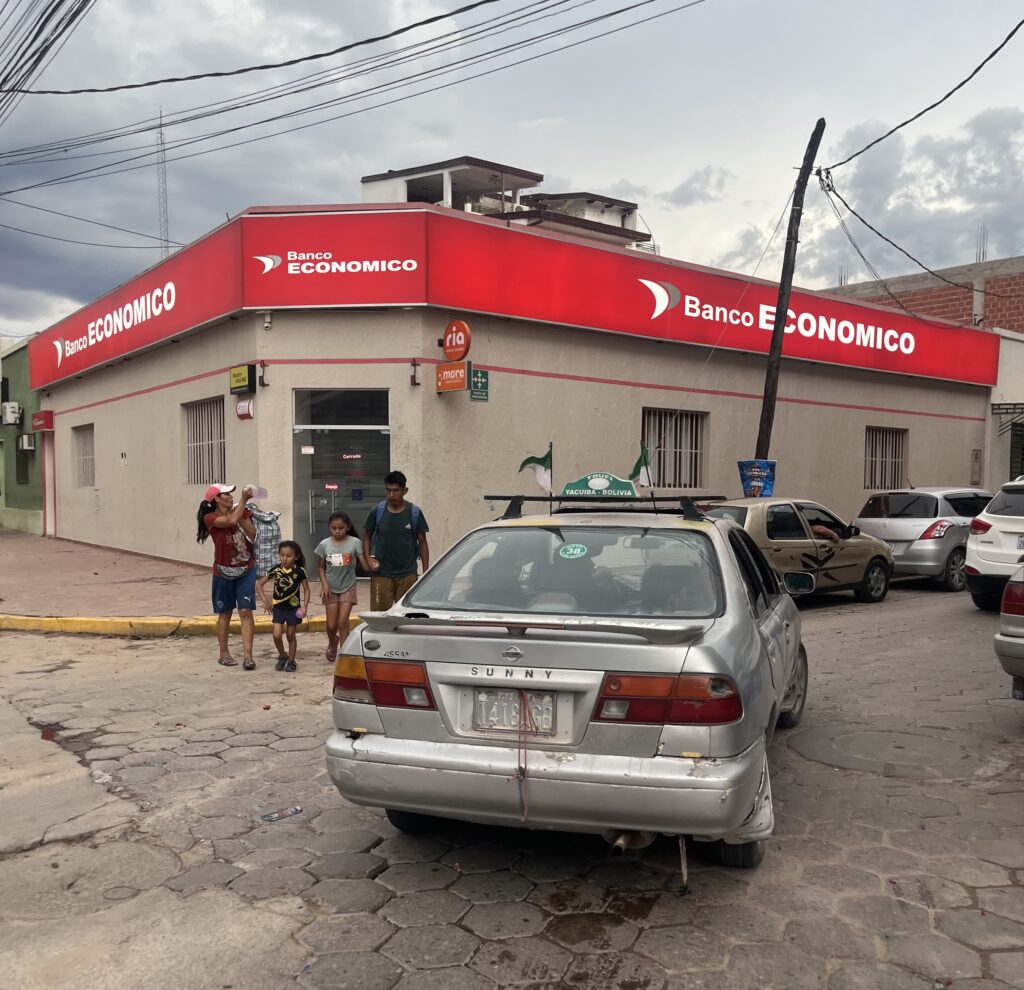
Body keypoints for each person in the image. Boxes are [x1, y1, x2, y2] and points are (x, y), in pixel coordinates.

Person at [196, 484, 257, 669]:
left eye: (232, 494)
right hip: (223, 570)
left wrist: (241, 513)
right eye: (226, 494)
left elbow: (253, 534)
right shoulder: (210, 518)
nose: (231, 497)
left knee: (246, 611)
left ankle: (248, 656)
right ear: (216, 498)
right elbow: (229, 522)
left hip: (246, 568)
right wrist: (244, 501)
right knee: (225, 613)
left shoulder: (241, 512)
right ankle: (224, 653)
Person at [363, 470, 430, 611]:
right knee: (379, 617)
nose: (392, 495)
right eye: (388, 490)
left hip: (408, 574)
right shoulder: (377, 511)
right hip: (382, 574)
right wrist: (368, 559)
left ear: (404, 490)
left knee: (406, 617)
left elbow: (423, 543)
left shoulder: (414, 512)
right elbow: (367, 536)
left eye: (396, 490)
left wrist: (426, 573)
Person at [316, 512, 372, 662]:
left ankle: (344, 653)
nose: (337, 531)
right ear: (329, 528)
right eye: (334, 528)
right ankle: (332, 642)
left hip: (348, 586)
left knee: (342, 621)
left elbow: (364, 564)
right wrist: (324, 584)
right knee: (331, 624)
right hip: (330, 588)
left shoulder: (354, 543)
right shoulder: (324, 544)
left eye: (341, 528)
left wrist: (373, 565)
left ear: (347, 527)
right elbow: (320, 567)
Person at [257, 541, 311, 673]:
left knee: (291, 635)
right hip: (278, 608)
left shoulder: (299, 571)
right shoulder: (276, 570)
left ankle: (291, 662)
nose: (285, 558)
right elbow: (259, 585)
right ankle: (282, 655)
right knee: (276, 635)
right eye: (282, 555)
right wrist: (265, 601)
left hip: (293, 608)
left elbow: (307, 589)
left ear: (296, 557)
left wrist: (305, 607)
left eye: (288, 555)